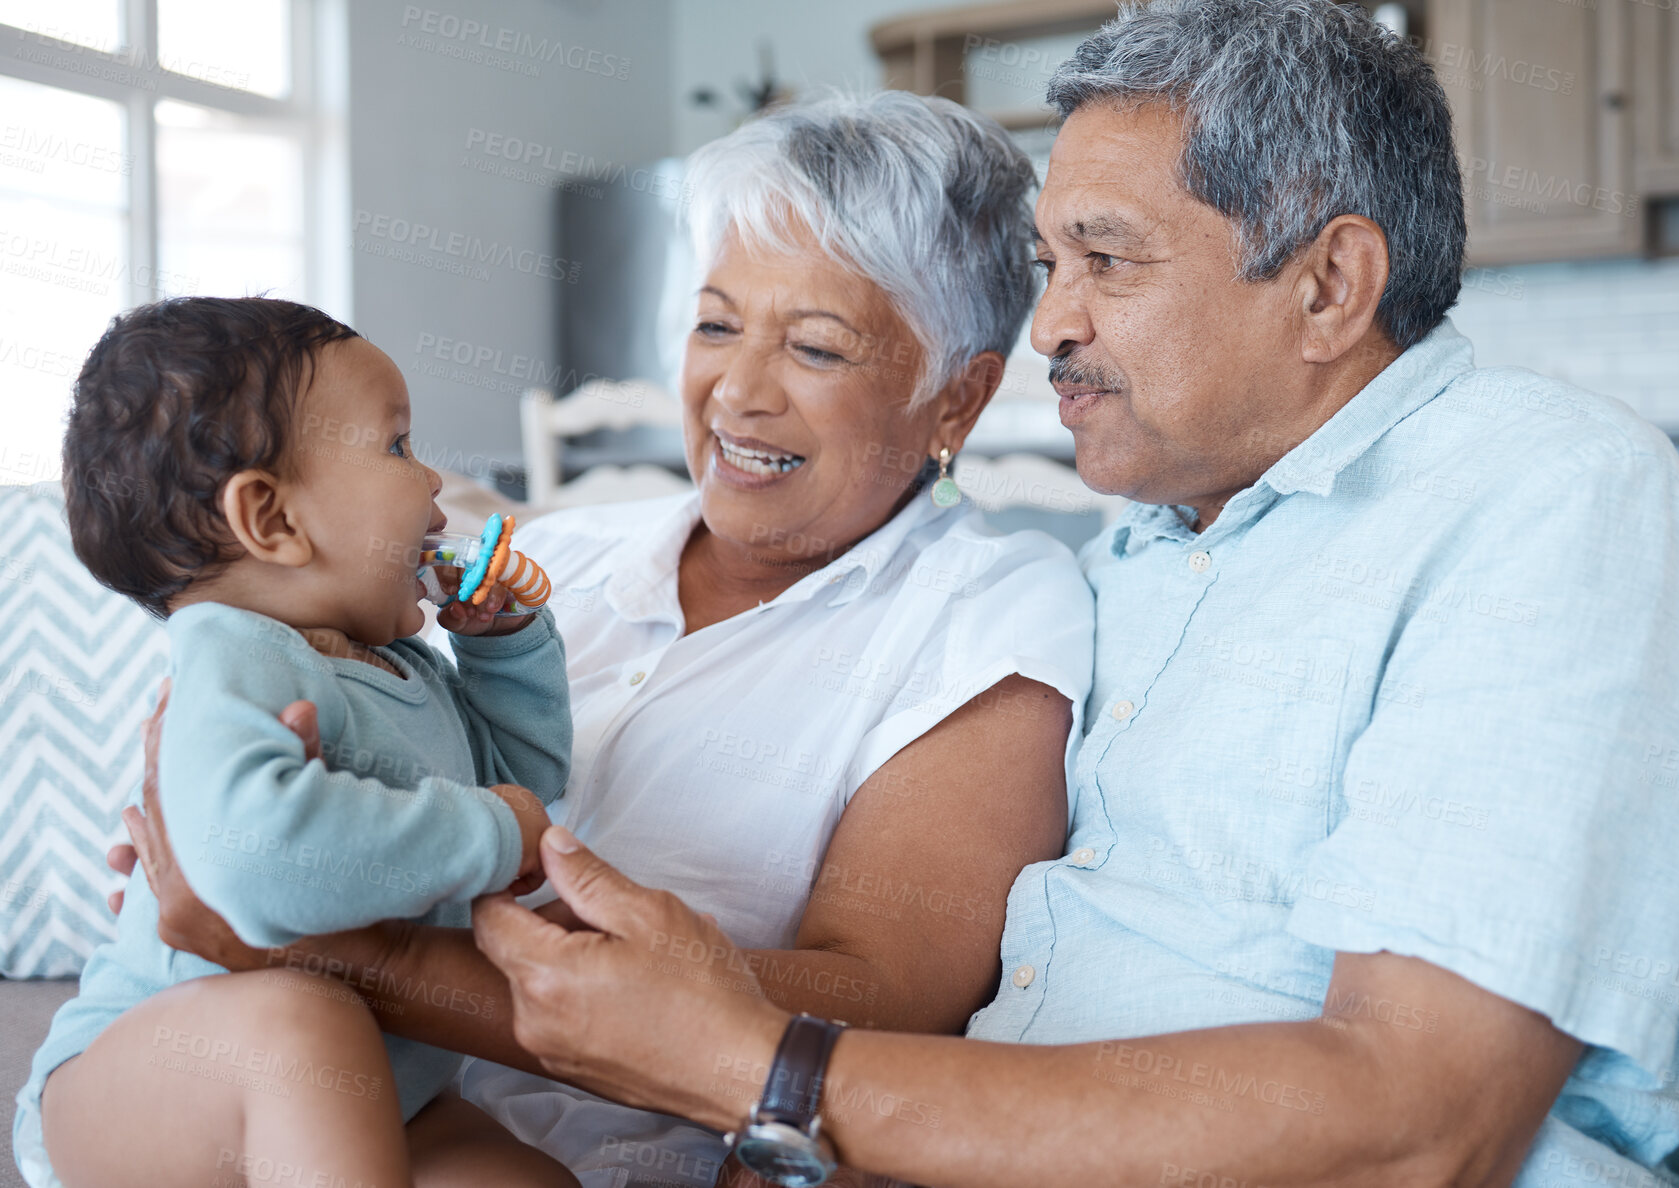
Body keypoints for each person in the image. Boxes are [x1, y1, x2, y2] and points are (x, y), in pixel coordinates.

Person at [451, 3, 1679, 1185]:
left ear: (1327, 287)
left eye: (1105, 260)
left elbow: (1418, 1125)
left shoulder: (1546, 494)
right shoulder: (1140, 556)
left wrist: (768, 1073)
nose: (1048, 326)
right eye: (1049, 263)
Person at [105, 93, 1097, 1188]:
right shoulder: (555, 561)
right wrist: (209, 830)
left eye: (815, 347)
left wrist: (323, 943)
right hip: (314, 1105)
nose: (739, 393)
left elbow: (889, 996)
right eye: (716, 324)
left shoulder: (993, 610)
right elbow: (318, 722)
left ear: (953, 398)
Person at [16, 297, 578, 1188]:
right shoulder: (230, 653)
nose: (434, 481)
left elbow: (521, 789)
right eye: (397, 447)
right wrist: (498, 832)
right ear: (271, 520)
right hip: (155, 1082)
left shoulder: (407, 668)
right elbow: (258, 864)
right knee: (301, 1021)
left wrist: (501, 651)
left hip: (387, 1094)